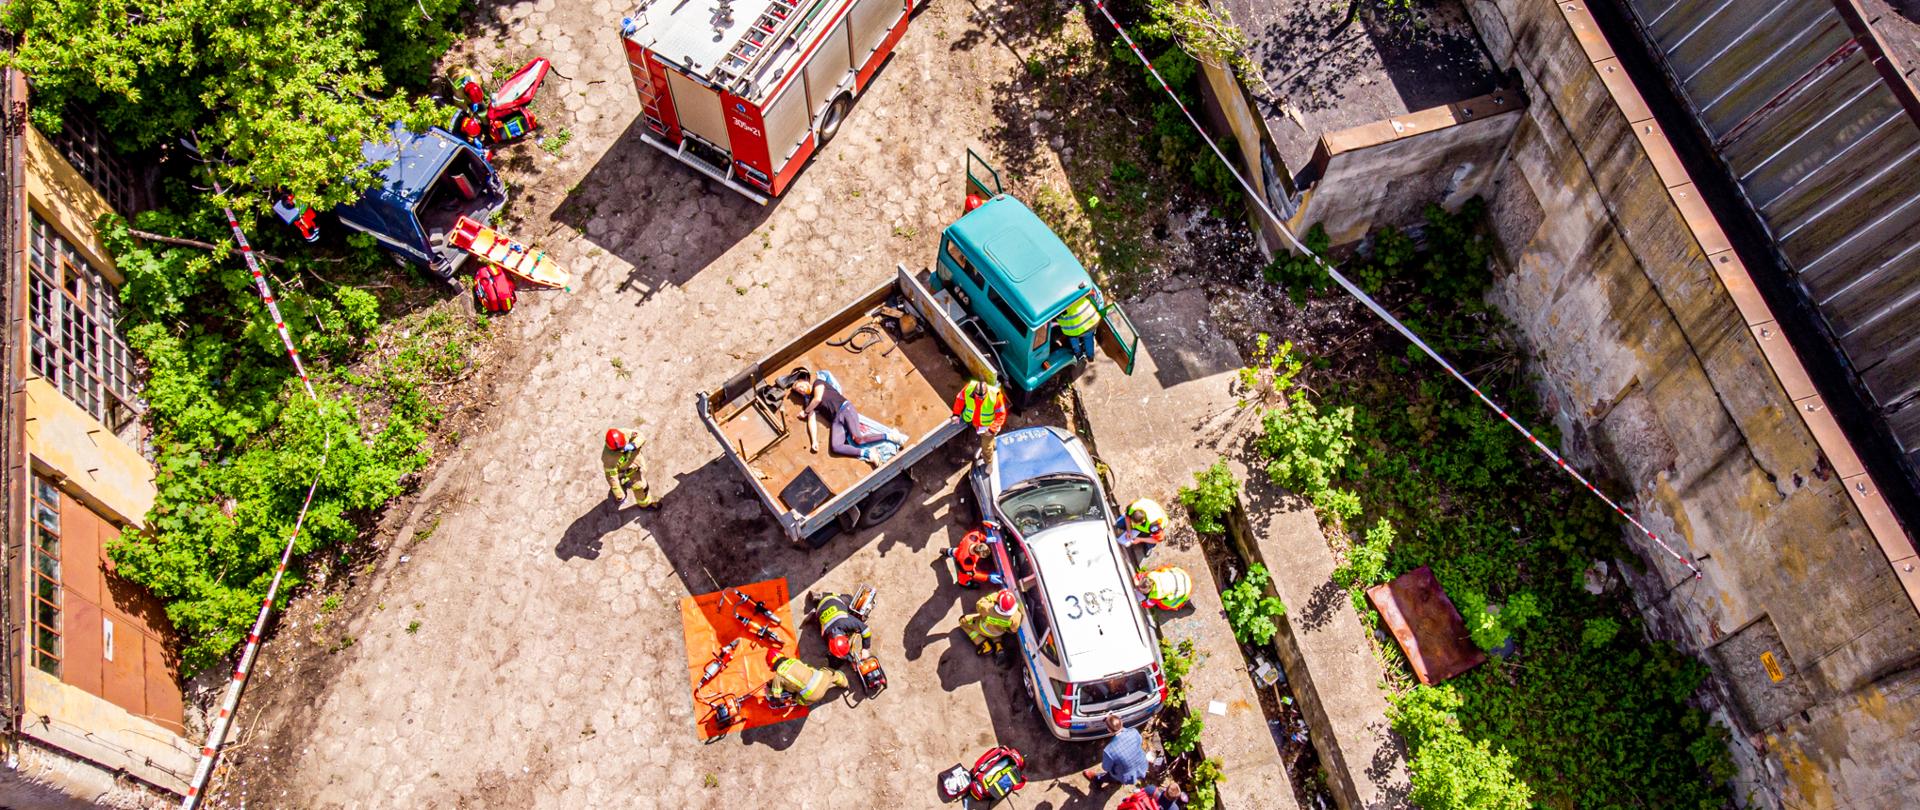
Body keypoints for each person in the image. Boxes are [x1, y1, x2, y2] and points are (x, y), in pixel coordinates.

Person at [793, 370, 907, 464]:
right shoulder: (808, 402)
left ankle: (890, 436)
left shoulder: (818, 383)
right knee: (836, 447)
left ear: (805, 381)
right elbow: (811, 420)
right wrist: (814, 441)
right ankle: (869, 454)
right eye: (799, 391)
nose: (801, 390)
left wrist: (805, 411)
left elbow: (817, 399)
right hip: (836, 420)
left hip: (844, 408)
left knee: (858, 439)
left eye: (800, 386)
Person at [1083, 714, 1151, 788]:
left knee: (1111, 775)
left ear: (1109, 730)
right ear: (1121, 722)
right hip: (1142, 766)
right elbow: (1139, 742)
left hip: (1125, 775)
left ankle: (1097, 779)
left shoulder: (1109, 751)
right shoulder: (1134, 732)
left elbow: (1106, 768)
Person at [950, 378, 1008, 465]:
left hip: (988, 427)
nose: (980, 398)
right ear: (974, 391)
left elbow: (1001, 415)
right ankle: (993, 444)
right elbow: (960, 400)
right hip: (975, 424)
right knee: (985, 441)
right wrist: (956, 414)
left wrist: (992, 429)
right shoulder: (968, 388)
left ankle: (989, 464)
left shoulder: (995, 396)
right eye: (978, 396)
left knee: (986, 448)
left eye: (983, 397)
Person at [765, 648, 848, 705]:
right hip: (823, 679)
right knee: (829, 672)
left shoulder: (778, 676)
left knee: (798, 698)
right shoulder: (793, 660)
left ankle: (800, 701)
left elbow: (776, 698)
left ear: (771, 665)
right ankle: (844, 683)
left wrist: (769, 691)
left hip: (814, 696)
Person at [601, 428, 660, 509]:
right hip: (628, 472)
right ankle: (645, 504)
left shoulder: (625, 433)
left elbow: (641, 436)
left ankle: (624, 483)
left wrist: (633, 445)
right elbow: (611, 476)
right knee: (641, 487)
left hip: (634, 463)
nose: (622, 449)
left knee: (636, 485)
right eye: (619, 449)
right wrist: (619, 495)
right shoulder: (608, 458)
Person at [957, 588, 1024, 655]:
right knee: (996, 630)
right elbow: (1013, 630)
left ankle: (985, 646)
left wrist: (994, 596)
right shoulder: (1016, 616)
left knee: (963, 621)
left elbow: (978, 604)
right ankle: (998, 646)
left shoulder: (988, 609)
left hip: (984, 628)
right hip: (999, 632)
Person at [811, 590, 872, 661]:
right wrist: (854, 658)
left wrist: (865, 649)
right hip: (820, 609)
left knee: (849, 600)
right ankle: (815, 611)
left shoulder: (846, 622)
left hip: (828, 601)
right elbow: (839, 651)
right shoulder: (826, 635)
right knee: (849, 598)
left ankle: (822, 596)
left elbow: (865, 629)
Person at [1056, 288, 1105, 361]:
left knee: (1073, 338)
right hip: (1090, 321)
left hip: (1073, 330)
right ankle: (1090, 356)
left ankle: (1078, 354)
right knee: (1088, 338)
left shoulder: (1056, 303)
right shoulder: (1074, 288)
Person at [1120, 784, 1187, 810]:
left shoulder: (1152, 790)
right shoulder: (1174, 808)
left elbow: (1138, 793)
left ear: (1166, 789)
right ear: (1175, 798)